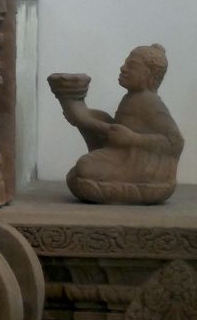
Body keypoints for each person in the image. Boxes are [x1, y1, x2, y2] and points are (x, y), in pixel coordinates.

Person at [51, 45, 184, 205]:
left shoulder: (150, 103)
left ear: (149, 74)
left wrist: (134, 139)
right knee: (80, 171)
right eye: (125, 63)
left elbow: (175, 142)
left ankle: (130, 186)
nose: (123, 68)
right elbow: (118, 127)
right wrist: (87, 118)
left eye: (131, 65)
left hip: (138, 166)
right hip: (122, 155)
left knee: (84, 168)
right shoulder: (131, 98)